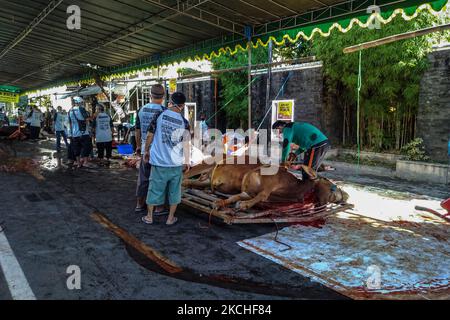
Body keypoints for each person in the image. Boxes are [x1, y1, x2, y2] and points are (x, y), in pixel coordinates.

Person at [142, 92, 191, 226]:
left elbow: (150, 135)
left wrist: (146, 150)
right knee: (175, 192)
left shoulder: (160, 115)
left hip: (159, 163)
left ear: (170, 102)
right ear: (183, 105)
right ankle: (170, 218)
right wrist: (187, 161)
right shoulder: (184, 122)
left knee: (154, 189)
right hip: (176, 164)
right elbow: (186, 144)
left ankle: (149, 217)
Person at [134, 84, 167, 214]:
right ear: (163, 97)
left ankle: (139, 204)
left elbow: (137, 129)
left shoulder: (142, 109)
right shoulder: (165, 111)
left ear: (150, 95)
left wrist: (138, 145)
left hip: (145, 149)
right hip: (159, 152)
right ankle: (159, 207)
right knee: (159, 179)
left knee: (143, 178)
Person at [68, 97, 93, 168]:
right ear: (80, 102)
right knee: (87, 147)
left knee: (76, 149)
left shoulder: (70, 110)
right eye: (82, 102)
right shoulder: (81, 109)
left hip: (74, 133)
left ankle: (78, 163)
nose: (83, 104)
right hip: (83, 132)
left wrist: (70, 133)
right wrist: (92, 116)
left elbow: (69, 123)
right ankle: (85, 162)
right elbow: (87, 118)